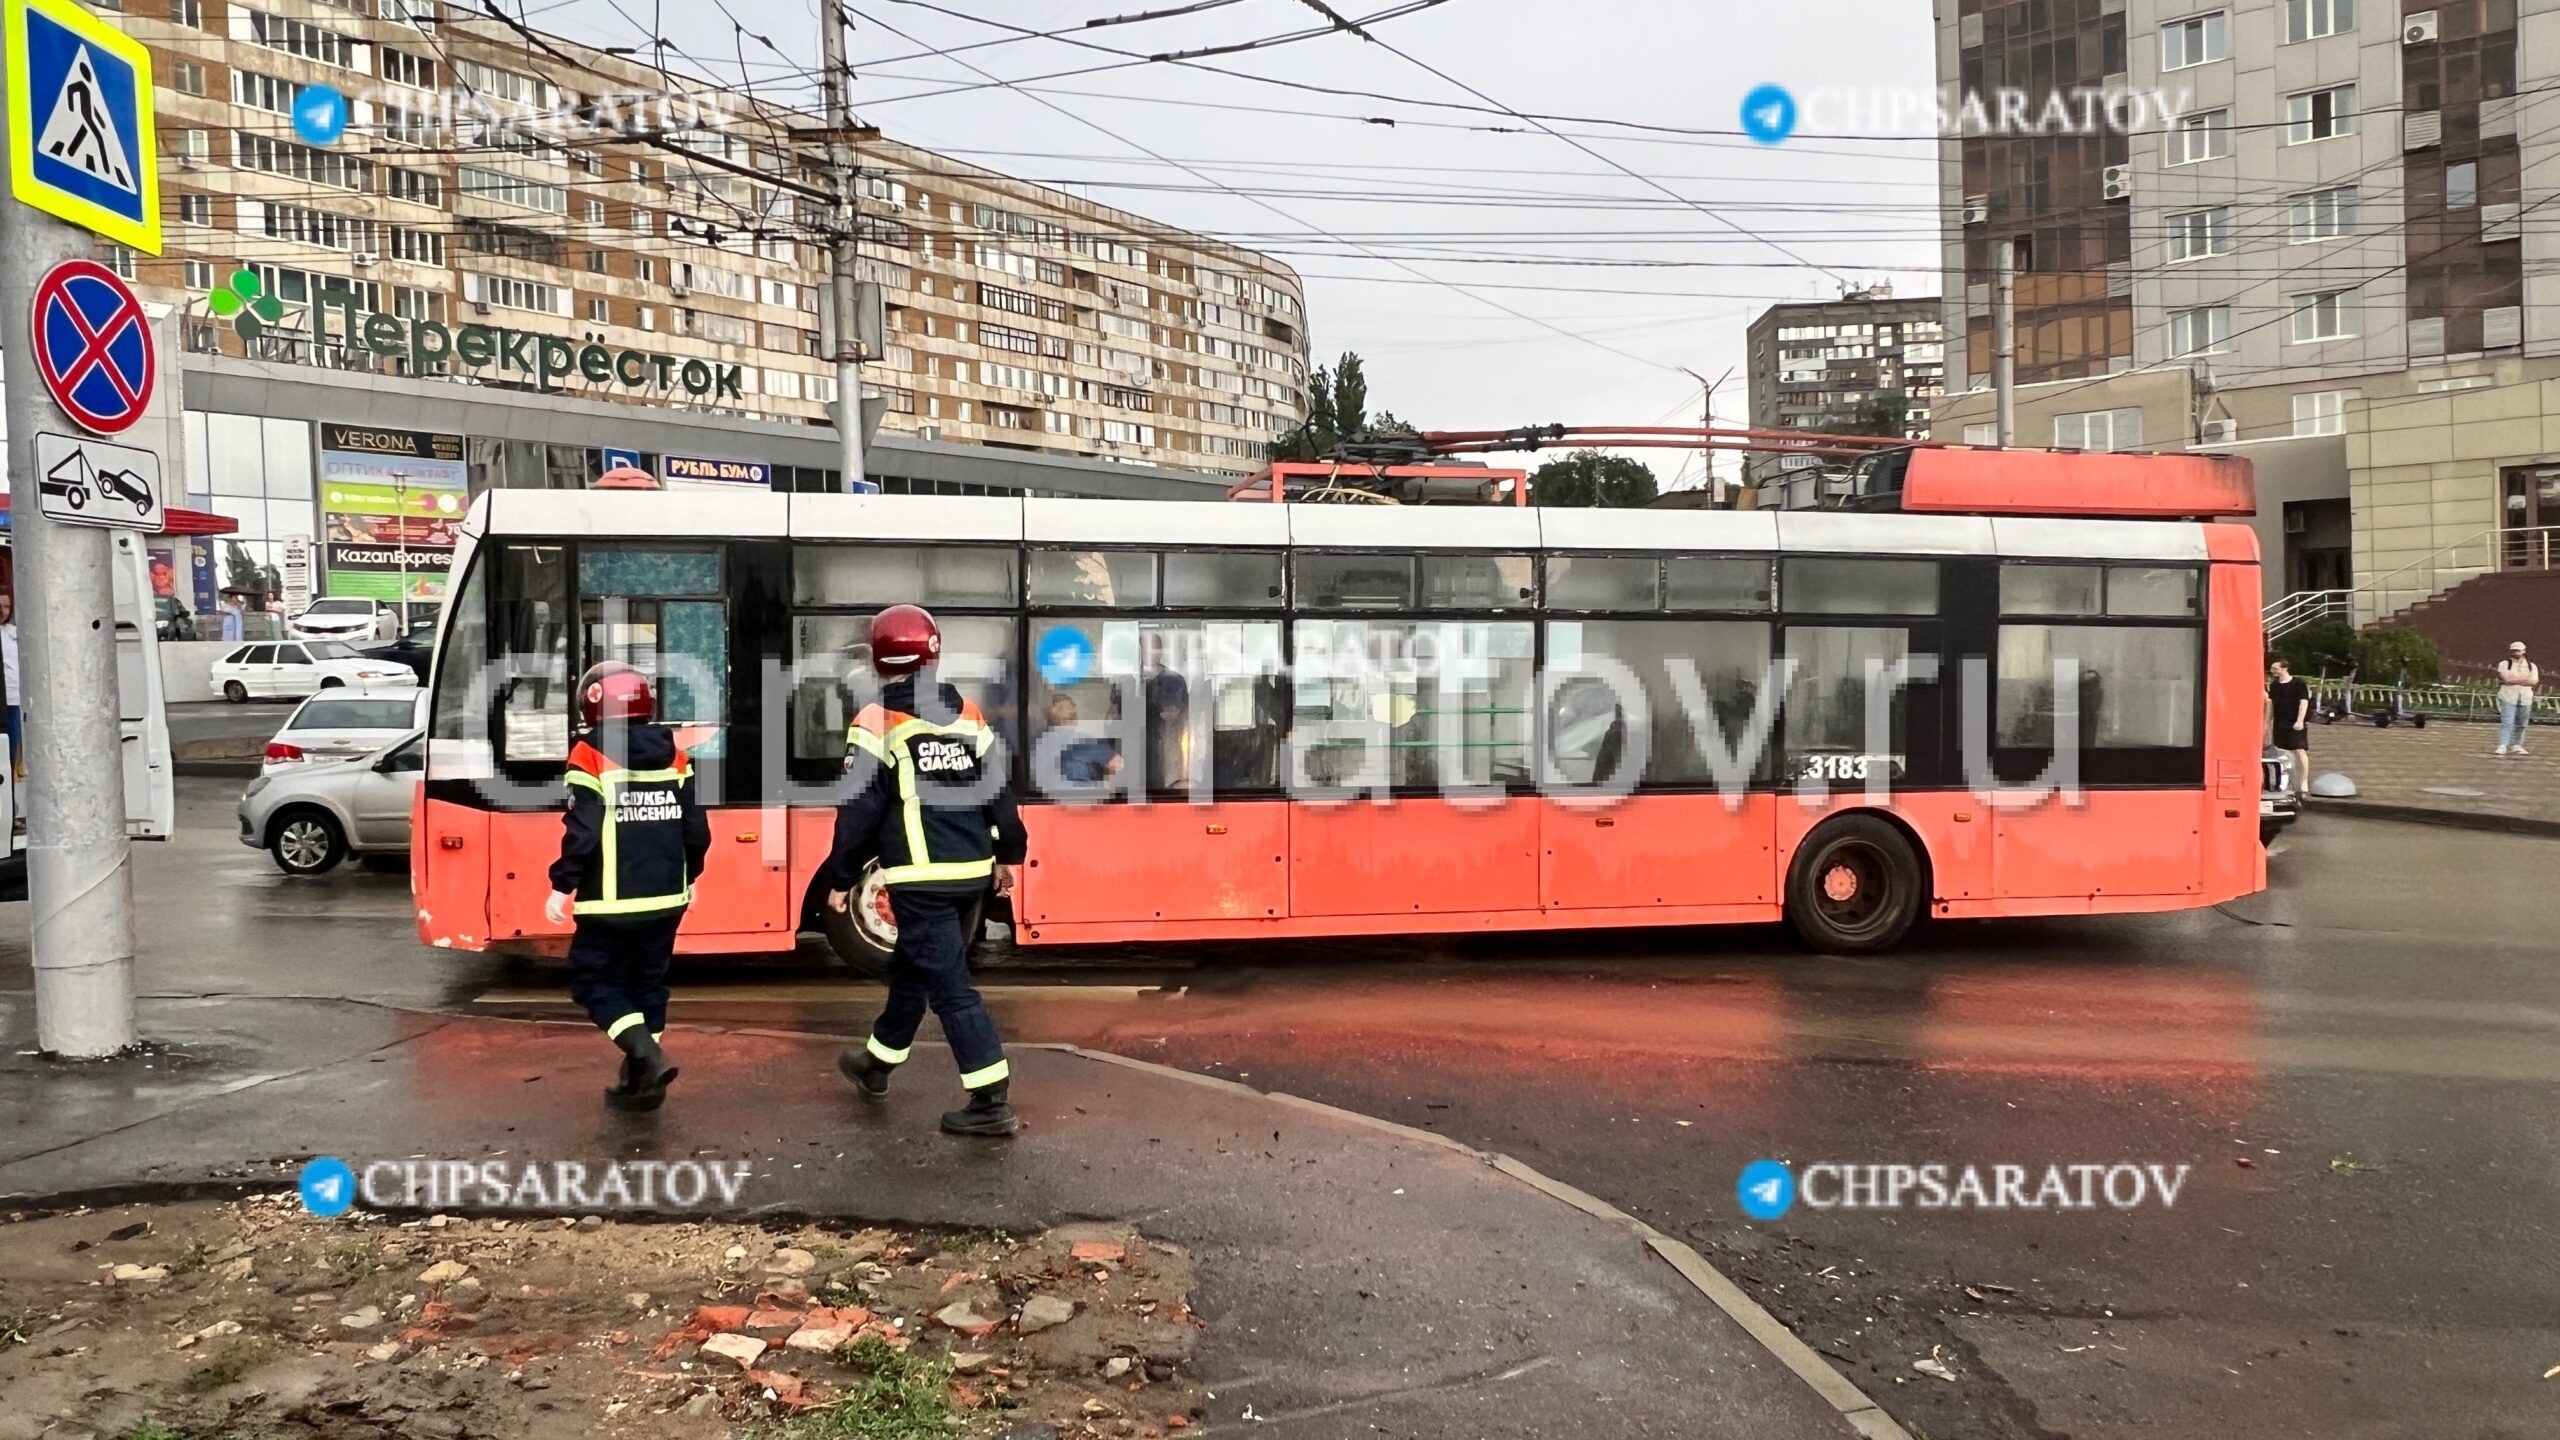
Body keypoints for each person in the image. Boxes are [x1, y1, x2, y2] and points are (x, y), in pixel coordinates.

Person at [823, 604, 1029, 1138]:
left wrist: (842, 879)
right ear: (934, 653)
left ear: (880, 658)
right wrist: (1009, 856)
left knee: (952, 988)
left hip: (921, 878)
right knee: (914, 969)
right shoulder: (969, 716)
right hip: (969, 875)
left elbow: (859, 812)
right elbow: (1001, 799)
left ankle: (989, 1099)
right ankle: (877, 1063)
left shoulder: (876, 721)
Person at [545, 661, 710, 1112]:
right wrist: (691, 875)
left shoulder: (589, 752)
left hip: (611, 899)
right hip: (668, 895)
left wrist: (563, 885)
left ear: (594, 704)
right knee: (648, 985)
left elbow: (583, 827)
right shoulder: (674, 753)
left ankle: (646, 1054)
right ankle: (643, 1085)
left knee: (592, 981)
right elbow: (696, 826)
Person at [1042, 693, 1123, 788]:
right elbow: (1118, 764)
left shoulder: (1042, 744)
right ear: (1074, 718)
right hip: (1084, 799)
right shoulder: (1085, 742)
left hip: (1050, 799)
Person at [2267, 658, 2312, 801]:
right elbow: (2271, 705)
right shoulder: (2274, 686)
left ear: (2284, 668)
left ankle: (2304, 783)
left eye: (2276, 668)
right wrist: (2267, 722)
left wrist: (2300, 720)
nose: (2273, 671)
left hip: (2295, 721)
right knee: (2281, 751)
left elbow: (2303, 702)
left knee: (2300, 750)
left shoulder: (2298, 683)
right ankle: (2286, 782)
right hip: (2280, 722)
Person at [2496, 640, 2541, 756]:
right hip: (2508, 696)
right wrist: (2524, 680)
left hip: (2525, 697)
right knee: (2507, 721)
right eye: (2514, 650)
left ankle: (2517, 745)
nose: (2516, 652)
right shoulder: (2504, 664)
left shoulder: (2531, 666)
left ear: (2524, 651)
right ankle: (2503, 745)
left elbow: (2534, 681)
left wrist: (2514, 680)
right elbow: (2506, 679)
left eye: (2518, 650)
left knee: (2522, 722)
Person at [1, 592, 20, 774]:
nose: (3, 611)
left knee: (13, 751)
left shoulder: (13, 633)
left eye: (6, 607)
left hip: (14, 699)